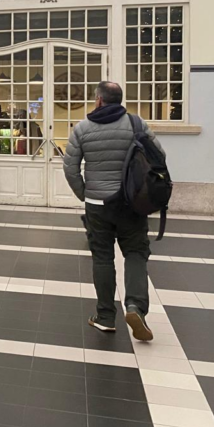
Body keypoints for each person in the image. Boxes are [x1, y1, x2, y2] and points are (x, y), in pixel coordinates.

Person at [64, 81, 161, 342]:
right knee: (136, 253)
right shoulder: (136, 124)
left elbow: (70, 168)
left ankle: (105, 316)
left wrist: (85, 194)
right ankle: (135, 307)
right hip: (131, 204)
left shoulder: (82, 128)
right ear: (120, 99)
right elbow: (159, 155)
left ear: (98, 100)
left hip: (98, 205)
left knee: (102, 257)